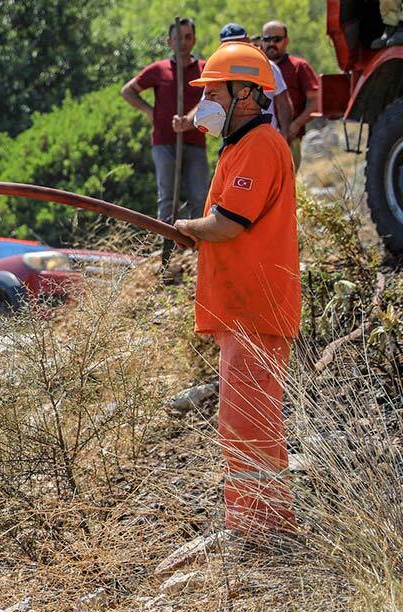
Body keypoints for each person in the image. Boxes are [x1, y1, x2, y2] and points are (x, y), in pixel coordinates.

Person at [173, 42, 301, 539]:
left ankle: (262, 530)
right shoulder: (242, 146)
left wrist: (188, 225)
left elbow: (228, 225)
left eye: (214, 92)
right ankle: (255, 525)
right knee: (243, 423)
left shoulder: (261, 147)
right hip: (246, 311)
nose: (207, 102)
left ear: (246, 93)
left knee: (248, 426)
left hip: (257, 310)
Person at [121, 17, 210, 225]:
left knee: (199, 197)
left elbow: (210, 96)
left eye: (188, 37)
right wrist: (150, 111)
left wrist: (189, 120)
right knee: (167, 198)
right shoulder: (158, 69)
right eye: (178, 37)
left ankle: (197, 247)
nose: (183, 42)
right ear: (169, 41)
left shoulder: (205, 69)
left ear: (194, 40)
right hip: (163, 141)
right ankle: (166, 247)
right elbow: (127, 91)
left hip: (196, 141)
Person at [219, 22, 292, 144]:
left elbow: (283, 102)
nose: (235, 47)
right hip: (234, 140)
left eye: (238, 42)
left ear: (247, 41)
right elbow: (207, 102)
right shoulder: (218, 71)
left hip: (266, 137)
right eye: (229, 44)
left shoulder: (267, 65)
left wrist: (284, 133)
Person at [260, 20, 319, 166]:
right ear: (262, 41)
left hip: (291, 139)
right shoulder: (256, 67)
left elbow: (316, 102)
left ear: (286, 41)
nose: (271, 43)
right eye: (267, 39)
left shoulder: (299, 66)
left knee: (287, 184)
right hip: (260, 139)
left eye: (277, 39)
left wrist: (295, 125)